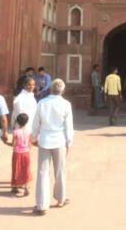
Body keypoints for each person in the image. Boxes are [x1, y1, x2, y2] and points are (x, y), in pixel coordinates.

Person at [32, 79, 74, 215]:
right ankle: (61, 199)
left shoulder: (42, 103)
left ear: (50, 89)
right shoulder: (66, 104)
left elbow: (36, 123)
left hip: (44, 140)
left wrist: (34, 136)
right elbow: (69, 126)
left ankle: (42, 205)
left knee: (42, 172)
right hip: (59, 141)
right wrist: (69, 142)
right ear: (62, 90)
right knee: (60, 170)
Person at [5, 113, 32, 196]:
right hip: (26, 153)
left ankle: (15, 187)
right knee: (25, 169)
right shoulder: (29, 132)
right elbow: (30, 144)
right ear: (27, 122)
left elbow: (13, 144)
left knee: (16, 169)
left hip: (17, 153)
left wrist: (5, 142)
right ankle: (26, 186)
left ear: (17, 122)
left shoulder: (15, 132)